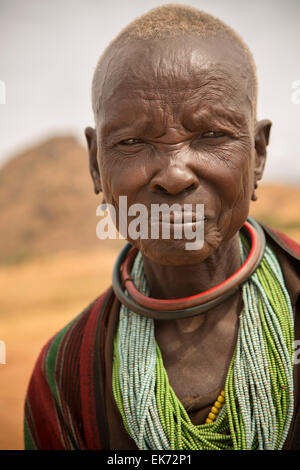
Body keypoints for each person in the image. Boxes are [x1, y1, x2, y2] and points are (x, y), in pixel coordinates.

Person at [24, 4, 300, 450]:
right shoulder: (63, 376)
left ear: (259, 154)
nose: (174, 175)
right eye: (132, 142)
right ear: (96, 164)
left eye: (211, 136)